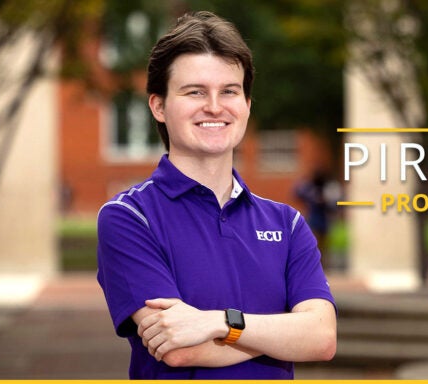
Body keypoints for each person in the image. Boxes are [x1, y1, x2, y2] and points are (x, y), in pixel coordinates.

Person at [97, 11, 336, 379]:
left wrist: (221, 324)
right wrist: (285, 333)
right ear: (158, 106)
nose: (214, 106)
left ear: (247, 105)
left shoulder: (287, 224)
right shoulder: (129, 217)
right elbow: (181, 350)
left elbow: (321, 338)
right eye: (195, 92)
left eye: (229, 91)